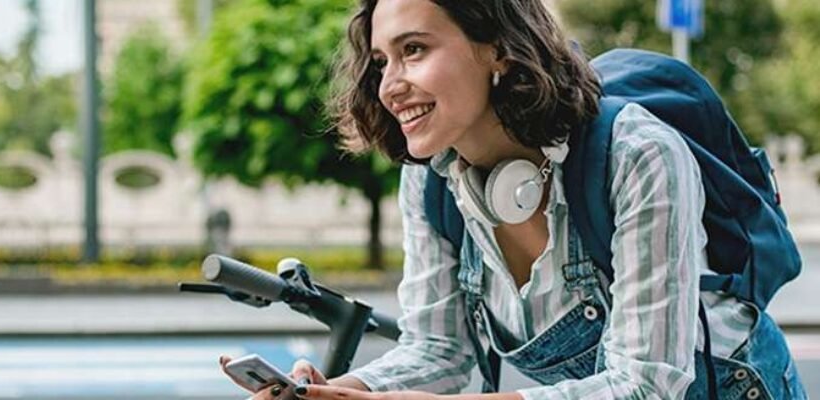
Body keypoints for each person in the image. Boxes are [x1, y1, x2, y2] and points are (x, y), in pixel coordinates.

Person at [220, 0, 807, 398]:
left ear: (497, 49)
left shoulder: (635, 152)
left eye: (415, 49)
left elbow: (646, 384)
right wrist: (353, 389)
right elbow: (439, 349)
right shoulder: (429, 178)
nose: (390, 84)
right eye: (381, 61)